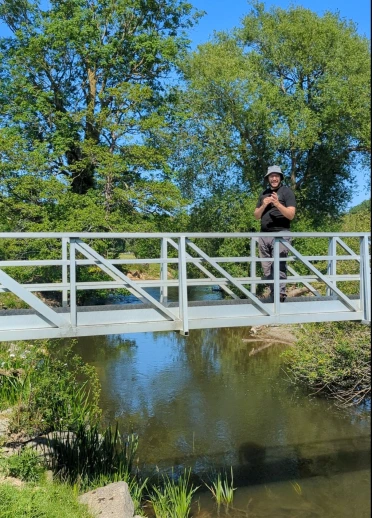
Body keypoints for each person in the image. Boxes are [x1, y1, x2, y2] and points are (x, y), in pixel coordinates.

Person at [254, 165, 296, 302]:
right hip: (264, 235)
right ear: (268, 178)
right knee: (266, 268)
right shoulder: (263, 194)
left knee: (279, 265)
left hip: (281, 234)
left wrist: (277, 204)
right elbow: (256, 215)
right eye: (271, 176)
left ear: (280, 178)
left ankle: (280, 295)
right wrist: (264, 205)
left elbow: (291, 215)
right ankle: (274, 292)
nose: (274, 178)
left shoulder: (287, 192)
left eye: (276, 176)